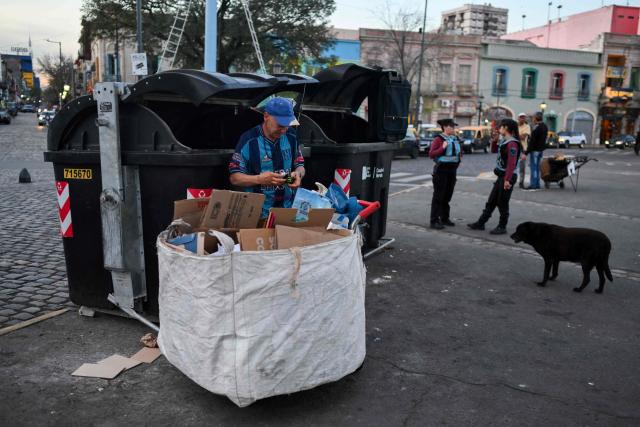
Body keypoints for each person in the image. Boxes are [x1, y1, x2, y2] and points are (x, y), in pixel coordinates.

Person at [229, 97, 305, 218]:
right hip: (256, 215)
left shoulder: (291, 135)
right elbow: (234, 178)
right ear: (266, 116)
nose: (284, 130)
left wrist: (298, 174)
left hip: (287, 212)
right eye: (280, 125)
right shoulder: (249, 140)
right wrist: (259, 179)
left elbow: (300, 165)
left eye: (287, 125)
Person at [467, 118, 521, 235]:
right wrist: (495, 141)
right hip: (501, 176)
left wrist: (507, 180)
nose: (499, 128)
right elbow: (495, 151)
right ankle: (481, 223)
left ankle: (502, 226)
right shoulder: (505, 141)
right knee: (492, 200)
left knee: (503, 202)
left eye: (501, 126)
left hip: (508, 176)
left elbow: (511, 164)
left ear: (506, 128)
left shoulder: (512, 143)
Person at [428, 118, 462, 229]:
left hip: (452, 170)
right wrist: (442, 148)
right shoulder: (438, 139)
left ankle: (444, 218)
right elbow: (432, 154)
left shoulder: (455, 138)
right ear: (445, 127)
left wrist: (460, 157)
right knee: (438, 196)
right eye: (451, 126)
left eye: (454, 126)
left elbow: (459, 153)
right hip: (441, 170)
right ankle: (434, 220)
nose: (453, 128)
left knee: (447, 195)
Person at [526, 112, 548, 189]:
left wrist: (526, 152)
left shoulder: (536, 127)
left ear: (536, 118)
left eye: (533, 118)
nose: (532, 119)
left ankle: (533, 185)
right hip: (540, 150)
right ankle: (537, 184)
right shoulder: (545, 126)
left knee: (533, 168)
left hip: (535, 150)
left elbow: (532, 141)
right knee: (538, 168)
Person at [517, 113, 531, 189]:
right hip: (514, 148)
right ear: (518, 118)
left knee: (522, 167)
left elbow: (523, 137)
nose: (522, 119)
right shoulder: (515, 126)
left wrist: (515, 134)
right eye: (521, 117)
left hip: (523, 149)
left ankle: (521, 182)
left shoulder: (527, 126)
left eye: (523, 117)